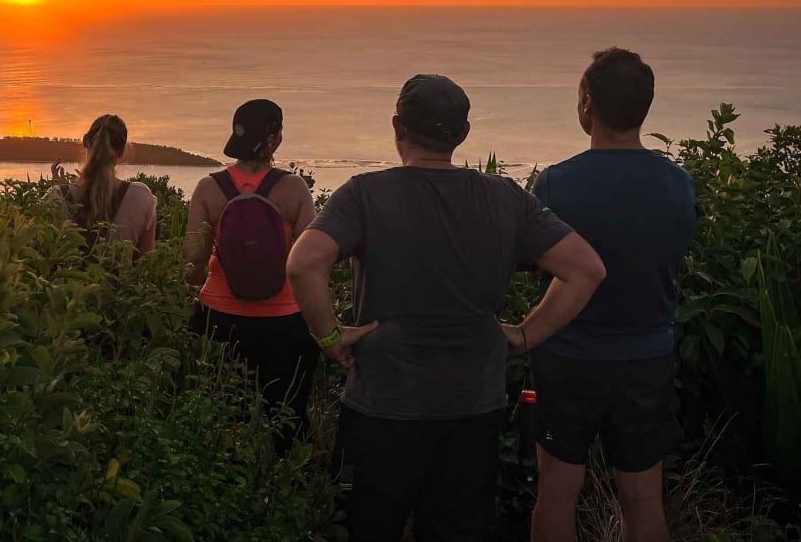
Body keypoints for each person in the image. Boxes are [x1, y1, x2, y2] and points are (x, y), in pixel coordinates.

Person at [286, 74, 607, 542]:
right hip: (473, 407)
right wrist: (524, 335)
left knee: (368, 528)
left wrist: (331, 336)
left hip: (383, 404)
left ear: (397, 127)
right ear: (463, 133)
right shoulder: (506, 197)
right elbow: (586, 269)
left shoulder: (364, 194)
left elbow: (303, 264)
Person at [522, 49, 697, 542]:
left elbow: (537, 259)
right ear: (645, 107)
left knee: (557, 492)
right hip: (646, 358)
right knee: (644, 497)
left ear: (587, 104)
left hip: (568, 356)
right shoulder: (678, 183)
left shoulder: (557, 182)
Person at [185, 98, 319, 450]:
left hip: (220, 318)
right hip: (284, 321)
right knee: (286, 417)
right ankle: (282, 487)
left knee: (222, 414)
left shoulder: (208, 188)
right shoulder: (294, 189)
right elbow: (310, 263)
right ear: (273, 140)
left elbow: (192, 260)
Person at [49, 114, 157, 253]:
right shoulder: (142, 198)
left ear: (85, 141)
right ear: (122, 152)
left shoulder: (54, 197)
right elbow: (146, 263)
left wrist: (63, 192)